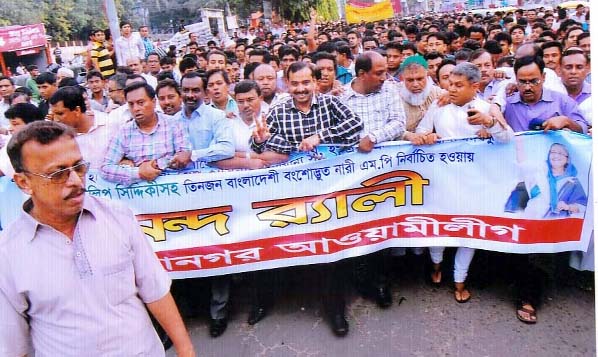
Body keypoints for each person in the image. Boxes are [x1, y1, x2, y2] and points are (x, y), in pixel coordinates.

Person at [0, 120, 195, 357]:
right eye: (58, 173)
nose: (75, 181)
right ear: (24, 182)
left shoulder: (118, 216)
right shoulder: (8, 253)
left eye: (79, 167)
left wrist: (186, 351)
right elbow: (13, 344)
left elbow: (156, 291)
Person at [251, 61, 362, 336]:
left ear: (315, 82)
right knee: (277, 245)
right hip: (291, 193)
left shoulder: (330, 104)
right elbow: (264, 146)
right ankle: (266, 302)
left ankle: (336, 311)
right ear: (286, 85)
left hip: (330, 190)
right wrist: (260, 140)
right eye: (295, 84)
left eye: (306, 83)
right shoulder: (277, 111)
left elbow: (356, 126)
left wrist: (320, 136)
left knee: (329, 251)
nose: (300, 89)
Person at [413, 62, 514, 303]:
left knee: (469, 229)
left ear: (475, 86)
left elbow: (507, 137)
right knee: (438, 226)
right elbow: (421, 130)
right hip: (441, 180)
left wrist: (489, 123)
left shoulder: (485, 108)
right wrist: (428, 136)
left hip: (475, 183)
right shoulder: (439, 106)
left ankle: (460, 279)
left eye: (459, 85)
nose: (452, 89)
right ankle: (436, 265)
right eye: (450, 84)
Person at [341, 51, 406, 309]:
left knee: (380, 225)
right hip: (350, 177)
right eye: (379, 72)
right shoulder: (341, 98)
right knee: (355, 225)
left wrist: (374, 138)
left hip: (383, 173)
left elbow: (399, 123)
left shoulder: (389, 91)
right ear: (361, 74)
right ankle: (359, 277)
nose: (385, 76)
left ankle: (380, 282)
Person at [176, 71, 234, 337]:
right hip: (178, 199)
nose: (190, 96)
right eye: (186, 91)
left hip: (211, 195)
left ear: (205, 92)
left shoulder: (216, 117)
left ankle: (218, 313)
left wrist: (193, 156)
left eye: (195, 91)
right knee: (186, 251)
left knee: (214, 251)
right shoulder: (171, 121)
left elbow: (226, 149)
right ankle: (195, 308)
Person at [100, 82, 192, 185]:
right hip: (140, 195)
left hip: (174, 188)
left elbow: (183, 156)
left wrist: (154, 165)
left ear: (153, 102)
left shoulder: (174, 124)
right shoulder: (124, 132)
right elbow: (105, 168)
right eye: (131, 104)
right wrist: (138, 172)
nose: (136, 109)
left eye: (140, 102)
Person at [0, 103, 44, 178]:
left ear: (31, 124)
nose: (10, 128)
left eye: (15, 124)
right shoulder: (12, 140)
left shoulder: (39, 147)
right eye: (10, 124)